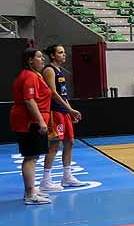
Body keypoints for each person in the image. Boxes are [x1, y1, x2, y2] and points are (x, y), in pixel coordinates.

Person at [40, 45, 85, 191]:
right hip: (54, 112)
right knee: (54, 144)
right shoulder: (49, 70)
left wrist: (70, 110)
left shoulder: (60, 71)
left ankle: (67, 176)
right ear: (53, 55)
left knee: (70, 142)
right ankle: (45, 180)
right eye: (60, 52)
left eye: (64, 52)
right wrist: (69, 109)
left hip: (63, 111)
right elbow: (53, 93)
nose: (64, 54)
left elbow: (63, 95)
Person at [12, 49, 52, 205]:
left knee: (33, 156)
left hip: (32, 120)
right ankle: (30, 194)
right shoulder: (29, 76)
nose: (42, 59)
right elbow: (29, 100)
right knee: (31, 157)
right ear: (30, 60)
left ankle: (31, 190)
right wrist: (41, 120)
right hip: (30, 122)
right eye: (39, 57)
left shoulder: (35, 75)